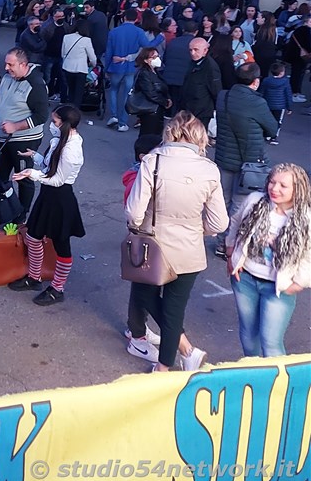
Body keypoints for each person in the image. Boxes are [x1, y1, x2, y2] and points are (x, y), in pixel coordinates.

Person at [125, 112, 228, 371]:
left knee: (144, 295)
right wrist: (197, 229)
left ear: (170, 133)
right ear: (200, 137)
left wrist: (138, 226)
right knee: (174, 308)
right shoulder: (209, 169)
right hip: (189, 250)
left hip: (152, 246)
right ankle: (166, 367)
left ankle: (184, 353)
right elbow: (219, 223)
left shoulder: (153, 161)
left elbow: (134, 211)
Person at [226, 163, 310, 357]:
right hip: (245, 279)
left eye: (283, 185)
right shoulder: (255, 201)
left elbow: (308, 254)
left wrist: (299, 283)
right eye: (272, 182)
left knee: (271, 342)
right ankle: (255, 378)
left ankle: (279, 386)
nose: (274, 189)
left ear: (298, 189)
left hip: (278, 288)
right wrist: (231, 253)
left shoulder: (305, 217)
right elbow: (236, 222)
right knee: (248, 335)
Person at [9, 105, 84, 306]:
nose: (52, 124)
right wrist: (35, 156)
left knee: (61, 245)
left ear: (65, 123)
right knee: (33, 237)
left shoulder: (71, 149)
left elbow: (58, 179)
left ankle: (57, 288)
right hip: (48, 196)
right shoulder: (59, 140)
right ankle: (34, 278)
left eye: (55, 121)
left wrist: (31, 174)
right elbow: (49, 167)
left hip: (61, 199)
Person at [213, 63, 279, 257]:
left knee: (222, 201)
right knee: (240, 205)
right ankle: (229, 244)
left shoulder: (223, 97)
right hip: (250, 163)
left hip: (224, 157)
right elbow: (272, 129)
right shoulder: (257, 103)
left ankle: (220, 243)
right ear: (256, 81)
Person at [0, 48, 49, 224]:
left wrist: (15, 126)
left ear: (23, 65)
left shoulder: (35, 85)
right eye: (6, 63)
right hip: (3, 139)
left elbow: (42, 116)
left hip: (24, 141)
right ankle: (2, 209)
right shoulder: (8, 78)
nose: (6, 68)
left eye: (10, 64)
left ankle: (21, 216)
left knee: (23, 178)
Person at [121, 134, 164, 362]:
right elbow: (134, 211)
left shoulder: (142, 174)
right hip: (143, 238)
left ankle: (138, 327)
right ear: (143, 157)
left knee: (147, 285)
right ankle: (137, 335)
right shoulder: (139, 177)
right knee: (144, 286)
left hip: (147, 236)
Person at [104, 9, 163, 132]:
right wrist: (159, 39)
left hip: (116, 66)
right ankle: (122, 122)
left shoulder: (114, 32)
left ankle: (114, 115)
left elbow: (108, 51)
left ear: (123, 18)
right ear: (136, 19)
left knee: (113, 90)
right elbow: (147, 46)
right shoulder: (139, 31)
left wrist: (107, 67)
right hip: (131, 66)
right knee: (127, 93)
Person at [181, 38, 222, 129]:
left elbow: (216, 89)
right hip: (190, 107)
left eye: (196, 50)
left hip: (201, 109)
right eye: (191, 50)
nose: (192, 53)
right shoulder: (193, 62)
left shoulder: (210, 67)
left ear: (205, 51)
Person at [132, 47, 170, 136]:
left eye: (158, 56)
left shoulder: (156, 72)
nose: (157, 59)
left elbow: (162, 86)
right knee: (148, 133)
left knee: (156, 133)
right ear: (146, 60)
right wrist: (164, 102)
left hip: (157, 108)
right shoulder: (144, 73)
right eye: (153, 57)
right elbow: (150, 93)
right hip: (149, 109)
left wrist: (168, 98)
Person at [60, 20, 96, 108]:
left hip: (67, 67)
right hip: (80, 68)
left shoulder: (66, 37)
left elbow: (63, 53)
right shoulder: (86, 40)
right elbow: (92, 57)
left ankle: (69, 107)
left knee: (71, 90)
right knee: (78, 92)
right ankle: (75, 110)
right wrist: (93, 65)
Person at [260, 62, 292, 145]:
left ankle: (266, 135)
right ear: (281, 73)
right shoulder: (285, 82)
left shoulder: (266, 80)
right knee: (277, 121)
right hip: (280, 106)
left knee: (267, 120)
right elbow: (288, 94)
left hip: (268, 104)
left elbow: (262, 92)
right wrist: (289, 107)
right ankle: (273, 137)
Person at [282, 12, 311, 103]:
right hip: (300, 56)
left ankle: (296, 92)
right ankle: (294, 93)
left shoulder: (299, 29)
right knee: (298, 74)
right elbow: (308, 44)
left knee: (297, 73)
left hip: (295, 55)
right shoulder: (306, 31)